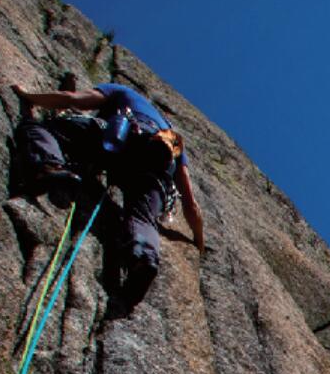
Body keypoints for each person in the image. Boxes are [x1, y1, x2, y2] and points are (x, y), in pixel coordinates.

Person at [11, 80, 205, 315]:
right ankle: (143, 256)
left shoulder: (122, 92)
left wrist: (28, 95)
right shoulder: (172, 138)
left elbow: (72, 100)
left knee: (38, 128)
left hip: (122, 138)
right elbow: (190, 203)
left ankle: (51, 165)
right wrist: (199, 242)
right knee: (143, 217)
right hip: (155, 170)